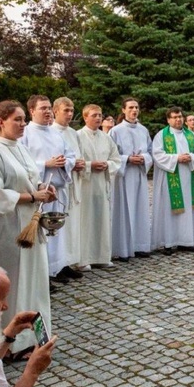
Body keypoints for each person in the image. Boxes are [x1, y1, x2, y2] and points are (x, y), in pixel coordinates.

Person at [0, 100, 54, 357]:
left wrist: (43, 188)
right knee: (15, 283)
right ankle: (9, 344)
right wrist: (32, 197)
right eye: (17, 120)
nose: (22, 124)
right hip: (8, 230)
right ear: (0, 122)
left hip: (30, 224)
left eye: (23, 120)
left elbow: (31, 177)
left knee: (34, 281)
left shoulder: (20, 148)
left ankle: (33, 338)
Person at [20, 95, 77, 285]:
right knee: (43, 232)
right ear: (31, 111)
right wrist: (46, 163)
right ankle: (44, 273)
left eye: (48, 108)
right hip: (39, 192)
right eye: (42, 108)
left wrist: (64, 163)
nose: (47, 111)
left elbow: (71, 155)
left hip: (58, 188)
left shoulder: (55, 133)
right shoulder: (26, 133)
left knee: (58, 232)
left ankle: (59, 266)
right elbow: (22, 163)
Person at [76, 105, 121, 269]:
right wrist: (89, 165)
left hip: (102, 183)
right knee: (85, 221)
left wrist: (107, 165)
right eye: (94, 115)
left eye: (100, 115)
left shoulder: (106, 137)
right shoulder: (77, 136)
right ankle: (84, 259)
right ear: (85, 117)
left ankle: (102, 256)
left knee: (102, 219)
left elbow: (116, 159)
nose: (98, 118)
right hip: (85, 185)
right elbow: (75, 161)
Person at [151, 106, 194, 255]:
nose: (178, 119)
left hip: (188, 176)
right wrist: (177, 158)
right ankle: (168, 242)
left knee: (187, 209)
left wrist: (191, 157)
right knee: (169, 209)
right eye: (174, 117)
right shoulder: (161, 135)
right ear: (168, 120)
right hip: (170, 177)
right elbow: (157, 155)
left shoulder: (191, 135)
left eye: (180, 116)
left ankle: (186, 241)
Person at [109, 97, 152, 262]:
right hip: (124, 177)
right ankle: (123, 249)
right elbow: (111, 155)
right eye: (131, 108)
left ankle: (140, 246)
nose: (134, 111)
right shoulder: (116, 131)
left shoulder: (143, 130)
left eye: (136, 107)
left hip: (139, 174)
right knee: (123, 211)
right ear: (123, 110)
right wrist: (127, 159)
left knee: (140, 210)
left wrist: (143, 158)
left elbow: (150, 151)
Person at [51, 97, 86, 276]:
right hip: (59, 185)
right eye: (66, 110)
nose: (70, 114)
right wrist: (71, 164)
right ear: (55, 110)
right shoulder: (51, 132)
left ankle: (69, 261)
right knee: (59, 225)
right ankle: (58, 265)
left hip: (74, 184)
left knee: (72, 224)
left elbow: (76, 155)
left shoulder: (73, 133)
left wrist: (79, 163)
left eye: (72, 111)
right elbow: (56, 159)